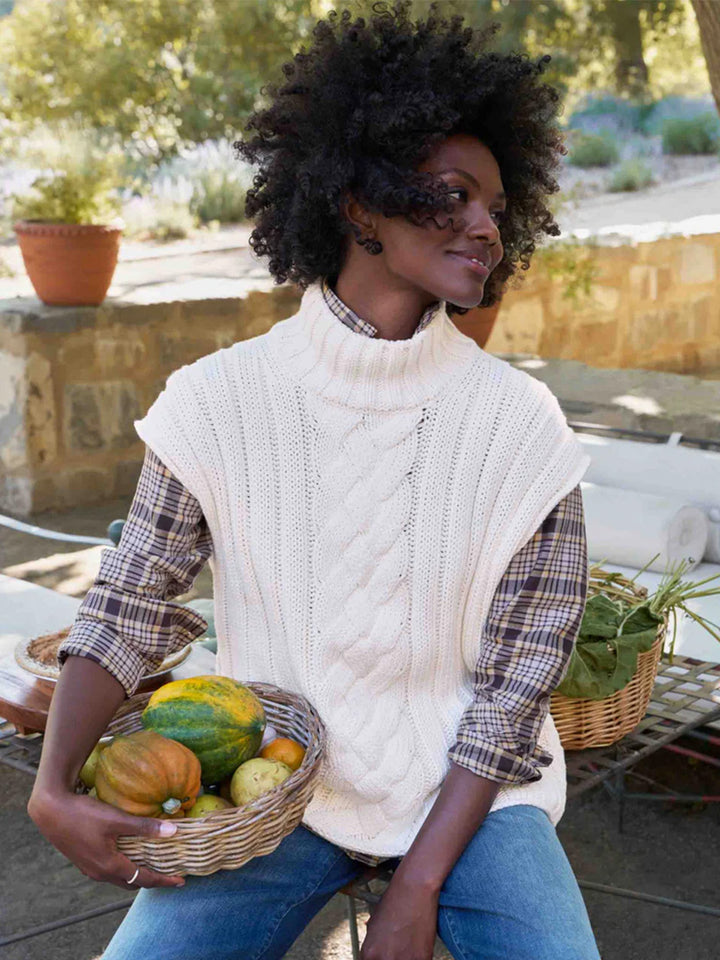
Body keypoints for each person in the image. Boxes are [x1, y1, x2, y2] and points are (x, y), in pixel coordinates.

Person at [28, 3, 602, 958]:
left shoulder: (522, 428)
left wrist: (417, 888)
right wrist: (52, 789)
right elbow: (129, 605)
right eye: (452, 195)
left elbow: (515, 692)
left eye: (498, 209)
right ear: (357, 200)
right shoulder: (215, 403)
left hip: (471, 796)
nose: (484, 226)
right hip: (281, 782)